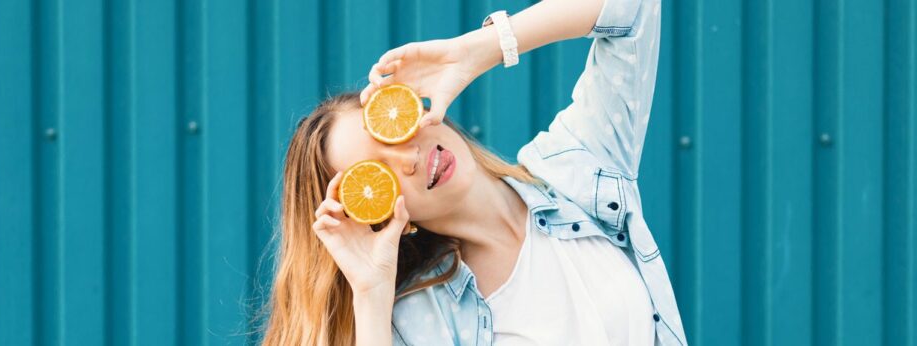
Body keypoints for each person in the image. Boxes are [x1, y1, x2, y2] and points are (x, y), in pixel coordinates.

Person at [261, 0, 686, 344]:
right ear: (374, 216)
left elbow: (633, 11)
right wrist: (371, 296)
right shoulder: (421, 319)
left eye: (392, 131)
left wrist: (482, 49)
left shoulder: (575, 170)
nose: (407, 159)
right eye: (376, 174)